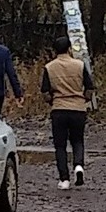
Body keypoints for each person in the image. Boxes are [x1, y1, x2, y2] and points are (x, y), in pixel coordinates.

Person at [41, 35, 95, 190]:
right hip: (78, 108)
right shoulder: (79, 65)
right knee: (77, 141)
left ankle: (64, 179)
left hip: (59, 109)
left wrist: (52, 101)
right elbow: (89, 87)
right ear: (69, 48)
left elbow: (45, 91)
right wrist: (84, 99)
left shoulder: (49, 67)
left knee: (60, 145)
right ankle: (78, 165)